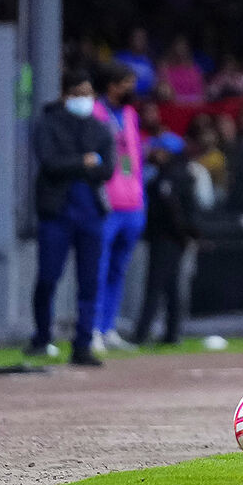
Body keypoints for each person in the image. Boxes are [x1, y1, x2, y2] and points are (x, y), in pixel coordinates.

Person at [26, 68, 115, 366]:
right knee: (49, 276)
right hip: (57, 212)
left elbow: (107, 169)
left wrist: (78, 164)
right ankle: (41, 337)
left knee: (89, 281)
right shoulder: (48, 123)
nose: (84, 100)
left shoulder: (100, 129)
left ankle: (83, 344)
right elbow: (50, 164)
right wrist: (84, 161)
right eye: (79, 94)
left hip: (90, 211)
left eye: (88, 94)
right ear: (66, 95)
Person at [92, 60, 146, 352]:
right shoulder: (96, 113)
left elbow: (135, 158)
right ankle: (91, 329)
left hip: (133, 203)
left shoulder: (129, 113)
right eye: (127, 83)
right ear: (112, 85)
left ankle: (108, 326)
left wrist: (141, 200)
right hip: (107, 204)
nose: (132, 89)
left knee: (118, 270)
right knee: (97, 269)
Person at [133, 133, 201, 345]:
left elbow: (174, 210)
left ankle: (142, 334)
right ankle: (171, 334)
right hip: (174, 238)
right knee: (171, 286)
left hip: (167, 238)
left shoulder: (170, 176)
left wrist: (183, 234)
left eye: (158, 149)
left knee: (156, 286)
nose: (153, 153)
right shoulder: (179, 173)